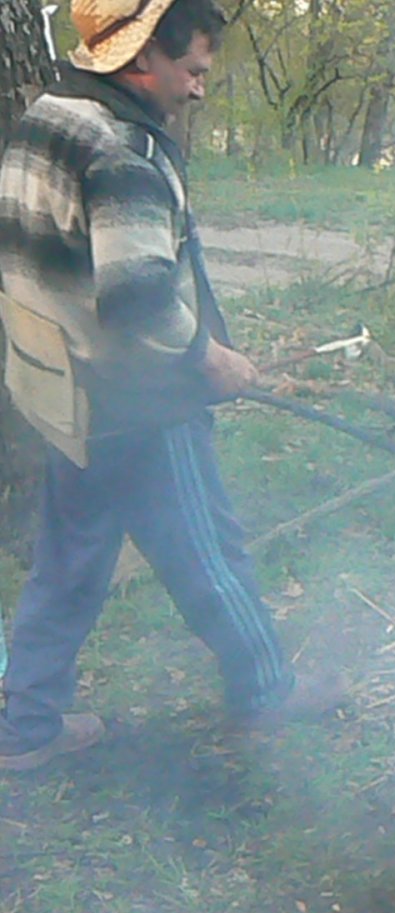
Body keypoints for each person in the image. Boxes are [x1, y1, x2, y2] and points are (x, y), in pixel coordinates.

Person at [0, 0, 346, 772]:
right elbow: (137, 296)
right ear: (139, 59)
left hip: (64, 395)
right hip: (138, 404)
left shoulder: (49, 116)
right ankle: (265, 691)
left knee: (67, 562)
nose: (197, 90)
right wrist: (208, 359)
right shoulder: (123, 153)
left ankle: (26, 727)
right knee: (208, 551)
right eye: (191, 70)